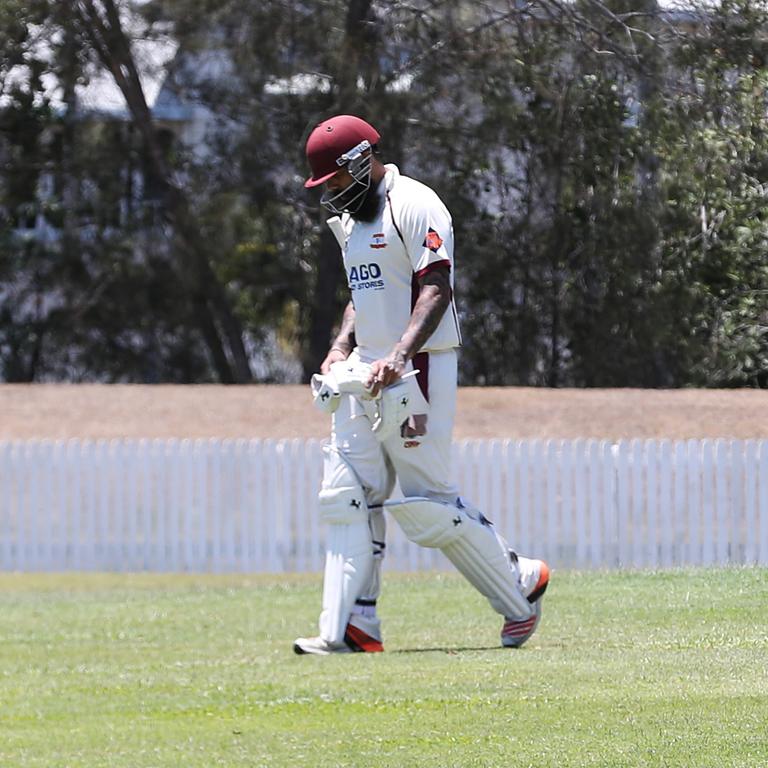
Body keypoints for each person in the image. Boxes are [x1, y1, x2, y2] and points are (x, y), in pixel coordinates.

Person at [294, 114, 549, 655]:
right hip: (364, 366)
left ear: (360, 161)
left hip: (421, 365)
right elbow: (361, 296)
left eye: (335, 182)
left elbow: (436, 288)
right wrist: (342, 345)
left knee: (427, 505)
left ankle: (520, 587)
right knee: (347, 496)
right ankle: (352, 627)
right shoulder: (351, 223)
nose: (333, 194)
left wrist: (399, 354)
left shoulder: (415, 203)